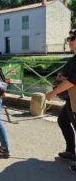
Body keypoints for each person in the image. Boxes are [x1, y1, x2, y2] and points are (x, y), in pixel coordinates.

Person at [46, 29, 76, 172]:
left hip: (75, 100)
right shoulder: (73, 58)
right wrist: (60, 77)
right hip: (70, 100)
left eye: (72, 38)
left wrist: (52, 93)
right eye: (69, 38)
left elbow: (72, 82)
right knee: (63, 121)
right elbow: (67, 77)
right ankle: (71, 151)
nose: (69, 40)